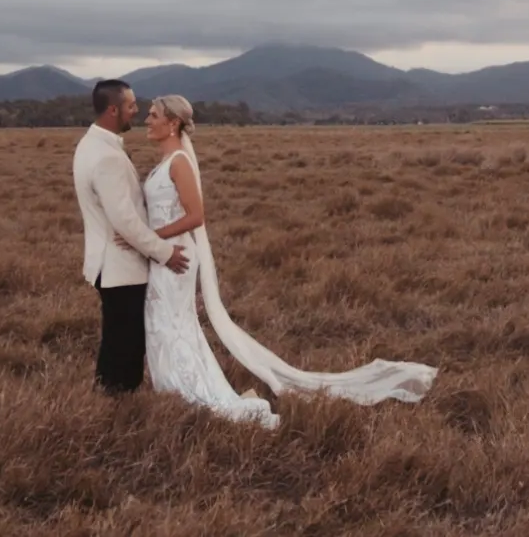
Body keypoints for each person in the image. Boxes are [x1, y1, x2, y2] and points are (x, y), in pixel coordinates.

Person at [127, 94, 436, 426]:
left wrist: (150, 237)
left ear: (172, 122)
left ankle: (191, 392)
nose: (147, 120)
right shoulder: (166, 161)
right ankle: (176, 388)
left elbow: (196, 216)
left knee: (171, 325)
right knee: (164, 325)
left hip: (176, 258)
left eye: (153, 115)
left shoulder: (179, 162)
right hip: (163, 255)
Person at [71, 79, 189, 394]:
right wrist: (165, 252)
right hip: (119, 266)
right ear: (113, 110)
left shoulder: (90, 144)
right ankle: (117, 405)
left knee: (116, 339)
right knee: (126, 344)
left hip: (107, 263)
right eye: (131, 105)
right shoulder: (106, 156)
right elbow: (125, 220)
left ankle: (107, 399)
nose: (137, 111)